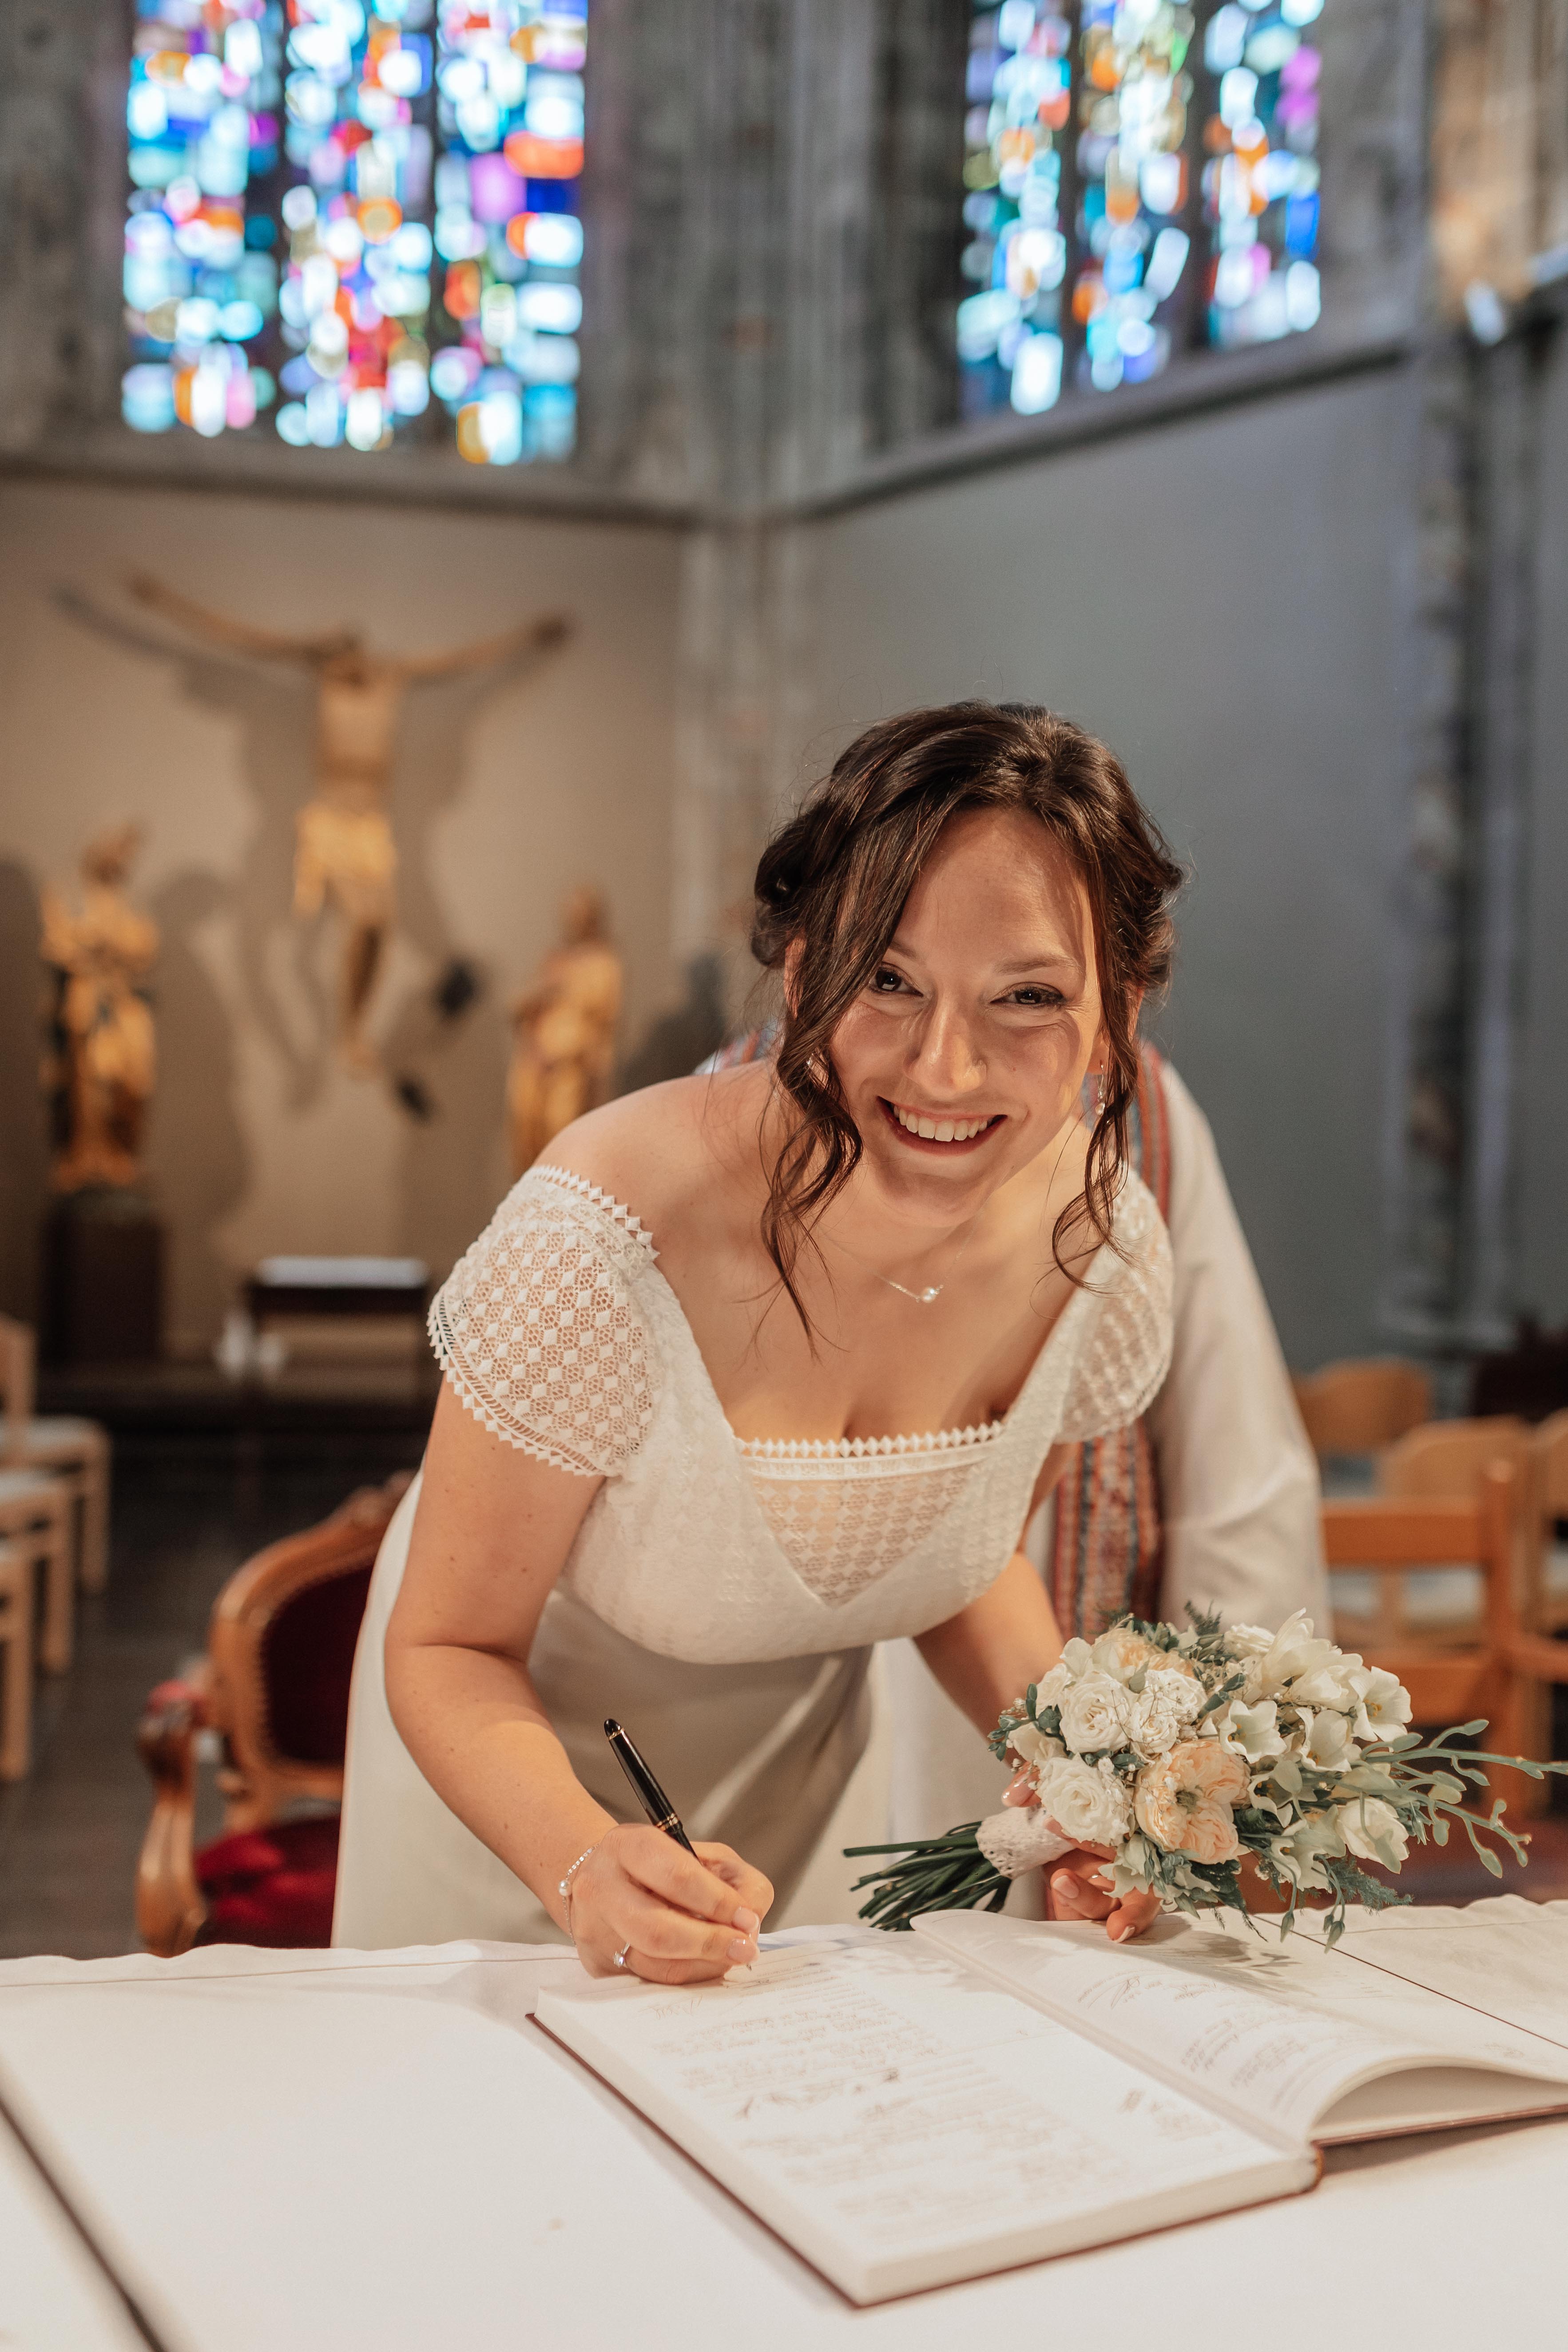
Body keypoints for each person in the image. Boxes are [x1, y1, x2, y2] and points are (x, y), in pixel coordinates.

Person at [334, 702, 1185, 1976]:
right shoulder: (605, 1235)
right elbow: (449, 1643)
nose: (945, 1068)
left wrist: (1084, 1788)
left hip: (803, 1818)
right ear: (800, 974)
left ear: (1116, 1015)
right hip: (514, 1818)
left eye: (1026, 997)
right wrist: (582, 1859)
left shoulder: (1095, 1241)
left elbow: (960, 1559)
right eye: (888, 981)